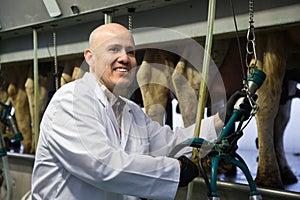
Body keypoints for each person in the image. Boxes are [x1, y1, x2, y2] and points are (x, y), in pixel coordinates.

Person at [31, 23, 245, 200]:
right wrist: (175, 170)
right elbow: (102, 166)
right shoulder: (70, 100)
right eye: (113, 49)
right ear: (90, 57)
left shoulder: (130, 110)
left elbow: (168, 142)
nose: (125, 58)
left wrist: (221, 120)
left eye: (130, 52)